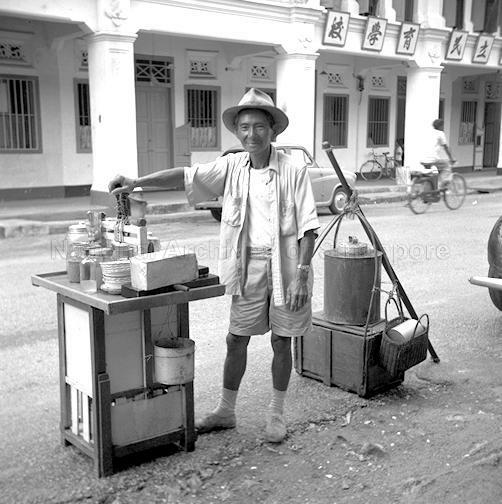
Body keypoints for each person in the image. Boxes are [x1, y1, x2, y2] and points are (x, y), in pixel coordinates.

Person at [108, 88, 320, 443]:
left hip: (288, 266)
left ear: (273, 130)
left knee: (283, 343)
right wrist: (136, 182)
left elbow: (308, 228)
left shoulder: (294, 171)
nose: (251, 135)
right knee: (235, 339)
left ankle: (276, 415)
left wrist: (300, 275)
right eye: (244, 127)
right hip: (248, 265)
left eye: (258, 127)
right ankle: (226, 410)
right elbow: (185, 176)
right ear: (238, 131)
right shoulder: (232, 166)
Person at [420, 119, 456, 189]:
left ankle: (430, 188)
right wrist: (452, 158)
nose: (443, 127)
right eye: (443, 126)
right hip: (432, 159)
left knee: (430, 174)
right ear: (440, 126)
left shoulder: (428, 133)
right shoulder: (440, 133)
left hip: (423, 159)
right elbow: (446, 148)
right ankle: (440, 184)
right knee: (447, 166)